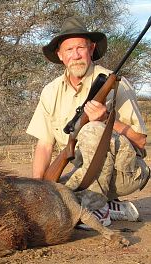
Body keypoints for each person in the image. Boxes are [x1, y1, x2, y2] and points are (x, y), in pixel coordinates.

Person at [26, 16, 150, 228]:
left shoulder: (116, 83)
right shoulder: (50, 91)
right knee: (52, 193)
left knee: (92, 130)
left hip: (126, 173)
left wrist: (108, 120)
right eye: (69, 50)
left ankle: (96, 209)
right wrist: (38, 189)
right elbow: (45, 146)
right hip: (86, 173)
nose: (75, 55)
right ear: (60, 55)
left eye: (80, 48)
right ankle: (112, 207)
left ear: (91, 49)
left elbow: (140, 142)